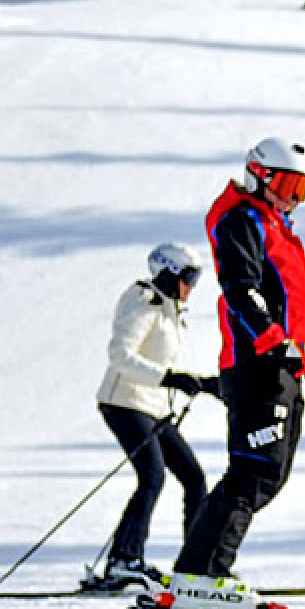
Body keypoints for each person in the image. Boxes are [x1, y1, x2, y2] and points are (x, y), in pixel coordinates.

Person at [151, 138, 305, 609]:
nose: (293, 198)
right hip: (257, 365)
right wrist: (272, 339)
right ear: (259, 175)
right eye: (287, 185)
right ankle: (203, 573)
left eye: (302, 189)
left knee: (269, 473)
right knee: (253, 471)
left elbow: (292, 300)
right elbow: (240, 288)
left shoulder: (275, 226)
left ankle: (199, 570)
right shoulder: (242, 220)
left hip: (282, 366)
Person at [89, 244, 217, 590]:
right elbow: (120, 355)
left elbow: (163, 361)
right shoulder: (143, 300)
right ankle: (124, 560)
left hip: (154, 408)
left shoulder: (169, 309)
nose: (192, 286)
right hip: (125, 402)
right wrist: (170, 379)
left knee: (193, 477)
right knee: (152, 476)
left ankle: (197, 563)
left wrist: (202, 383)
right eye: (188, 277)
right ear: (168, 273)